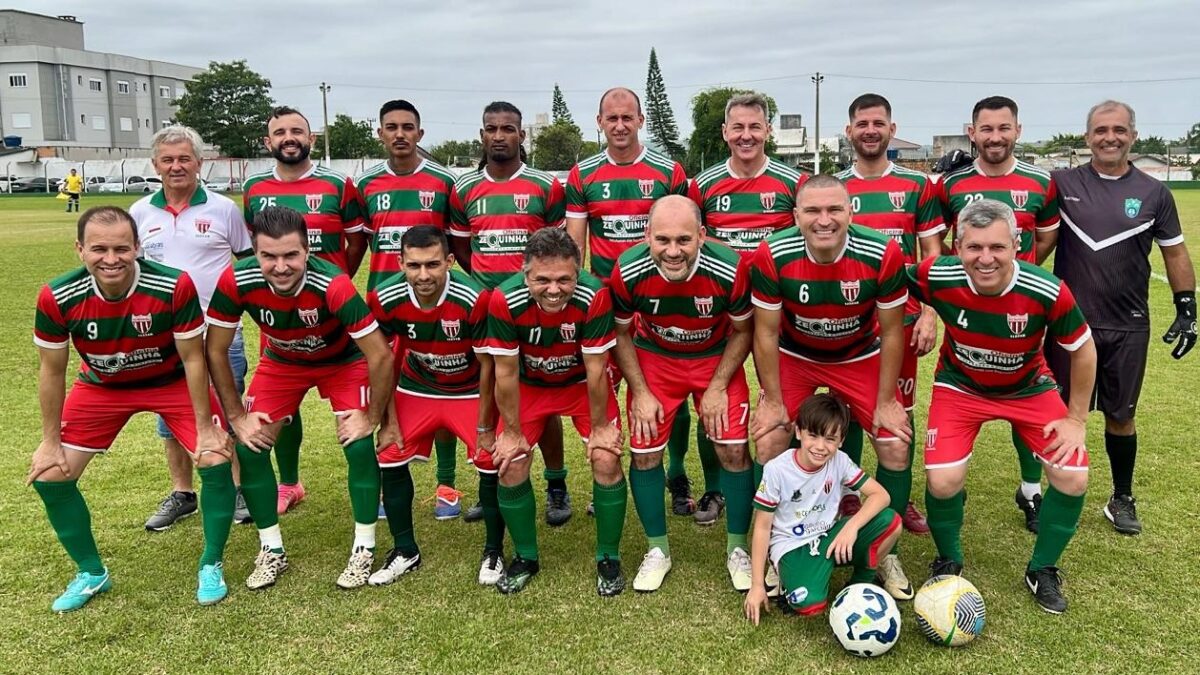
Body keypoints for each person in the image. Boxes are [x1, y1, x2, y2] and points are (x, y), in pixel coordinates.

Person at [30, 206, 234, 611]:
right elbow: (52, 371)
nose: (111, 259)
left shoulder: (173, 285)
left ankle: (211, 562)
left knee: (214, 457)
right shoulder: (57, 296)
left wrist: (205, 428)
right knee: (51, 475)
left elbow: (195, 359)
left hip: (170, 381)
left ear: (138, 247)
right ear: (80, 250)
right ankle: (91, 573)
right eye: (99, 249)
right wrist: (49, 442)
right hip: (102, 387)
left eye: (122, 248)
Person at [909, 198, 1095, 614]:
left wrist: (1076, 419)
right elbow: (888, 284)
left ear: (1017, 244)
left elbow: (1083, 351)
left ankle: (1042, 568)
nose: (985, 258)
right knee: (942, 482)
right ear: (957, 247)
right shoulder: (936, 275)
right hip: (960, 386)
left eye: (997, 247)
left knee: (1072, 477)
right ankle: (949, 558)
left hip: (1028, 388)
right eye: (974, 247)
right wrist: (924, 315)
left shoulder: (1046, 290)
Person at [205, 206, 393, 590]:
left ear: (307, 251)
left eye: (291, 255)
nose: (280, 266)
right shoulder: (236, 280)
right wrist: (237, 415)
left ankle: (364, 546)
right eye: (269, 256)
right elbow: (215, 350)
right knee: (250, 446)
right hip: (283, 362)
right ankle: (271, 549)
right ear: (253, 253)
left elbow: (380, 353)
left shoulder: (333, 284)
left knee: (357, 444)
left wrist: (372, 416)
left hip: (343, 361)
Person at [748, 174, 915, 601]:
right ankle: (775, 547)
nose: (825, 220)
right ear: (796, 215)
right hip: (796, 354)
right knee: (769, 438)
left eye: (834, 210)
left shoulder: (882, 252)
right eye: (813, 211)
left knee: (895, 440)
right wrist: (771, 400)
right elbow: (765, 334)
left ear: (850, 211)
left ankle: (883, 550)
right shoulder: (772, 253)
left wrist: (886, 401)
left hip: (857, 354)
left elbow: (893, 331)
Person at [1046, 100, 1196, 535]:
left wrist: (1187, 307)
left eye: (1118, 130)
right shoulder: (1061, 183)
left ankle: (1121, 497)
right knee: (1057, 412)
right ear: (1087, 136)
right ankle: (1050, 492)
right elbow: (1029, 225)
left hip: (1127, 323)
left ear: (1132, 134)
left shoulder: (1155, 193)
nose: (1109, 137)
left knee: (1121, 415)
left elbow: (1175, 252)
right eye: (1100, 130)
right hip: (1068, 324)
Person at [565, 87, 706, 520]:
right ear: (599, 122)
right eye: (613, 118)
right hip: (609, 304)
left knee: (670, 393)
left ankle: (676, 472)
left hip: (662, 300)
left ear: (641, 120)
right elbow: (575, 244)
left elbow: (689, 232)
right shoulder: (582, 174)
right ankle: (605, 475)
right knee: (605, 390)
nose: (621, 125)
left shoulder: (668, 170)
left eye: (628, 117)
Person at [610, 195, 755, 593]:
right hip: (656, 360)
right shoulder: (628, 268)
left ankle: (739, 548)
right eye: (663, 240)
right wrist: (639, 390)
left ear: (702, 237)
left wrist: (718, 385)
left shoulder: (729, 268)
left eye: (684, 240)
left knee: (734, 450)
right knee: (644, 452)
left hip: (713, 358)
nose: (673, 251)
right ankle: (658, 549)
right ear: (647, 236)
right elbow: (621, 333)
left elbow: (744, 329)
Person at [479, 227, 625, 595]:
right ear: (525, 272)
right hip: (530, 387)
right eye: (542, 279)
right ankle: (526, 556)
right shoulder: (503, 299)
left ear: (578, 272)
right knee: (511, 464)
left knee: (607, 458)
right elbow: (506, 373)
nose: (554, 289)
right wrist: (511, 432)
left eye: (564, 279)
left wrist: (600, 428)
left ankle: (608, 557)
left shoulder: (595, 294)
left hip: (579, 385)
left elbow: (596, 371)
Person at [939, 96, 1060, 533]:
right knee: (962, 391)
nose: (995, 137)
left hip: (1020, 310)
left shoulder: (1041, 183)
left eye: (1003, 128)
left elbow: (1043, 243)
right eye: (986, 129)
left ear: (1017, 131)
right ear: (972, 133)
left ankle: (1030, 489)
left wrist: (1017, 278)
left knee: (1022, 391)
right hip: (966, 310)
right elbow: (940, 251)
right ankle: (950, 477)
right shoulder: (949, 186)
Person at [450, 101, 573, 526]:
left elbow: (559, 248)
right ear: (481, 135)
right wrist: (490, 284)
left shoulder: (544, 186)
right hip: (489, 307)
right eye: (491, 129)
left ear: (522, 135)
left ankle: (557, 485)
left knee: (547, 399)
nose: (499, 135)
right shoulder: (464, 188)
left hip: (541, 307)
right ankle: (492, 485)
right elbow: (463, 247)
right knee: (492, 394)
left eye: (507, 128)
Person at [688, 92, 807, 524]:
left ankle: (788, 484)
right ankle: (715, 489)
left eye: (754, 127)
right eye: (737, 127)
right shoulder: (702, 186)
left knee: (785, 400)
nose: (746, 135)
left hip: (781, 311)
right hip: (723, 313)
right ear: (724, 132)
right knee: (712, 400)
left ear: (768, 131)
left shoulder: (791, 184)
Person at [365, 226, 507, 586]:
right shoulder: (384, 297)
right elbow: (382, 359)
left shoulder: (475, 298)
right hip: (419, 387)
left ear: (448, 261)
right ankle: (404, 550)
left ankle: (494, 551)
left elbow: (489, 364)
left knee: (493, 458)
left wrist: (485, 424)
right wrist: (388, 420)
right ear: (400, 263)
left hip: (470, 390)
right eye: (414, 265)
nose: (423, 275)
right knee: (390, 452)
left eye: (432, 264)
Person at [243, 106, 366, 516]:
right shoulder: (255, 188)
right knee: (282, 404)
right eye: (280, 132)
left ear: (311, 139)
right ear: (269, 142)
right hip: (280, 318)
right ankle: (290, 483)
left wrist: (335, 285)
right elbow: (256, 248)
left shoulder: (337, 184)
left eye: (297, 130)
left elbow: (354, 241)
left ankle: (372, 486)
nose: (289, 137)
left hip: (332, 312)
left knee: (352, 408)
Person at [834, 93, 946, 535]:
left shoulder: (918, 186)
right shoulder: (833, 186)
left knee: (898, 407)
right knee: (847, 405)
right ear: (850, 132)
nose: (870, 130)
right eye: (862, 123)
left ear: (891, 129)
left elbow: (933, 254)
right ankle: (850, 490)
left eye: (878, 123)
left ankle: (899, 497)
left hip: (900, 317)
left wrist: (930, 312)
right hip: (847, 317)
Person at [132, 124, 253, 531]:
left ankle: (238, 489)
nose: (176, 166)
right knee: (170, 416)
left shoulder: (223, 210)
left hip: (219, 334)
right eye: (168, 160)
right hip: (164, 338)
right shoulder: (139, 213)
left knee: (227, 408)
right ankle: (183, 493)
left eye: (184, 158)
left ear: (200, 164)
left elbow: (248, 264)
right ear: (155, 165)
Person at [356, 99, 465, 520]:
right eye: (391, 127)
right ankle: (389, 481)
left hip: (434, 305)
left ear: (420, 133)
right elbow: (358, 243)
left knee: (446, 387)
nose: (399, 134)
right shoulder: (364, 184)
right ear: (380, 133)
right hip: (386, 309)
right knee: (386, 390)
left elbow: (454, 243)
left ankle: (448, 485)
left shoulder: (443, 181)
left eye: (407, 127)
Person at [744, 394, 901, 622]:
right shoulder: (776, 470)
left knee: (891, 522)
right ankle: (792, 574)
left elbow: (881, 496)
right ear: (798, 432)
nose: (820, 447)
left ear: (841, 440)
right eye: (813, 436)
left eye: (830, 439)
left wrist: (851, 527)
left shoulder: (840, 460)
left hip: (829, 535)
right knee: (810, 604)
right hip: (792, 545)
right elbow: (761, 527)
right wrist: (757, 585)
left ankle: (860, 583)